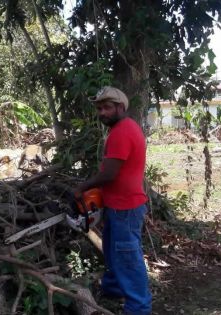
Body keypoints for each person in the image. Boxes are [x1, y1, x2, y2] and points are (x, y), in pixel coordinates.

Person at [74, 86, 152, 315]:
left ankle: (138, 308)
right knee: (113, 251)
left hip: (126, 207)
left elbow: (109, 174)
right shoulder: (122, 129)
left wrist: (81, 187)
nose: (102, 113)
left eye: (107, 107)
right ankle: (113, 288)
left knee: (128, 258)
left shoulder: (122, 132)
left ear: (121, 107)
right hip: (118, 205)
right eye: (99, 108)